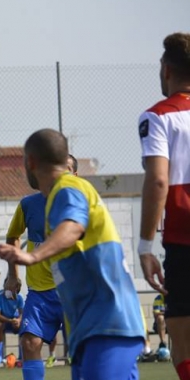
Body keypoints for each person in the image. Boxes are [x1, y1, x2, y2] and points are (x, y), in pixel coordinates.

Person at [0, 128, 145, 380]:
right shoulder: (57, 194)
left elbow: (72, 227)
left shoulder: (67, 187)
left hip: (106, 320)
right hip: (95, 323)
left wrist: (33, 256)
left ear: (30, 162)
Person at [137, 32, 190, 380]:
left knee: (182, 331)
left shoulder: (159, 116)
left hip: (184, 235)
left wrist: (145, 245)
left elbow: (158, 181)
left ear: (167, 69)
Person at [3, 153, 78, 380]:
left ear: (75, 174)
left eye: (66, 169)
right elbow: (13, 236)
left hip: (74, 293)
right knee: (29, 342)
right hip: (40, 294)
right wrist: (12, 274)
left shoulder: (83, 204)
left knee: (85, 350)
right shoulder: (28, 204)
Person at [0, 278, 24, 368]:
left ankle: (22, 357)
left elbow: (22, 313)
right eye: (8, 285)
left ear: (17, 288)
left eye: (13, 286)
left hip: (14, 321)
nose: (9, 288)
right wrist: (9, 320)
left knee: (24, 325)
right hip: (3, 321)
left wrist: (18, 320)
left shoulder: (19, 298)